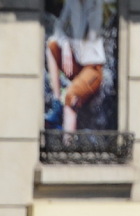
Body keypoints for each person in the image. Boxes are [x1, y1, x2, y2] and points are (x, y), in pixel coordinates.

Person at [44, 0, 105, 132]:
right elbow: (58, 28)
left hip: (93, 68)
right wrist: (65, 45)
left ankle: (68, 145)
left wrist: (67, 41)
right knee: (51, 45)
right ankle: (56, 103)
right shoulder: (71, 2)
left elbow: (84, 34)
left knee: (71, 96)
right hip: (76, 64)